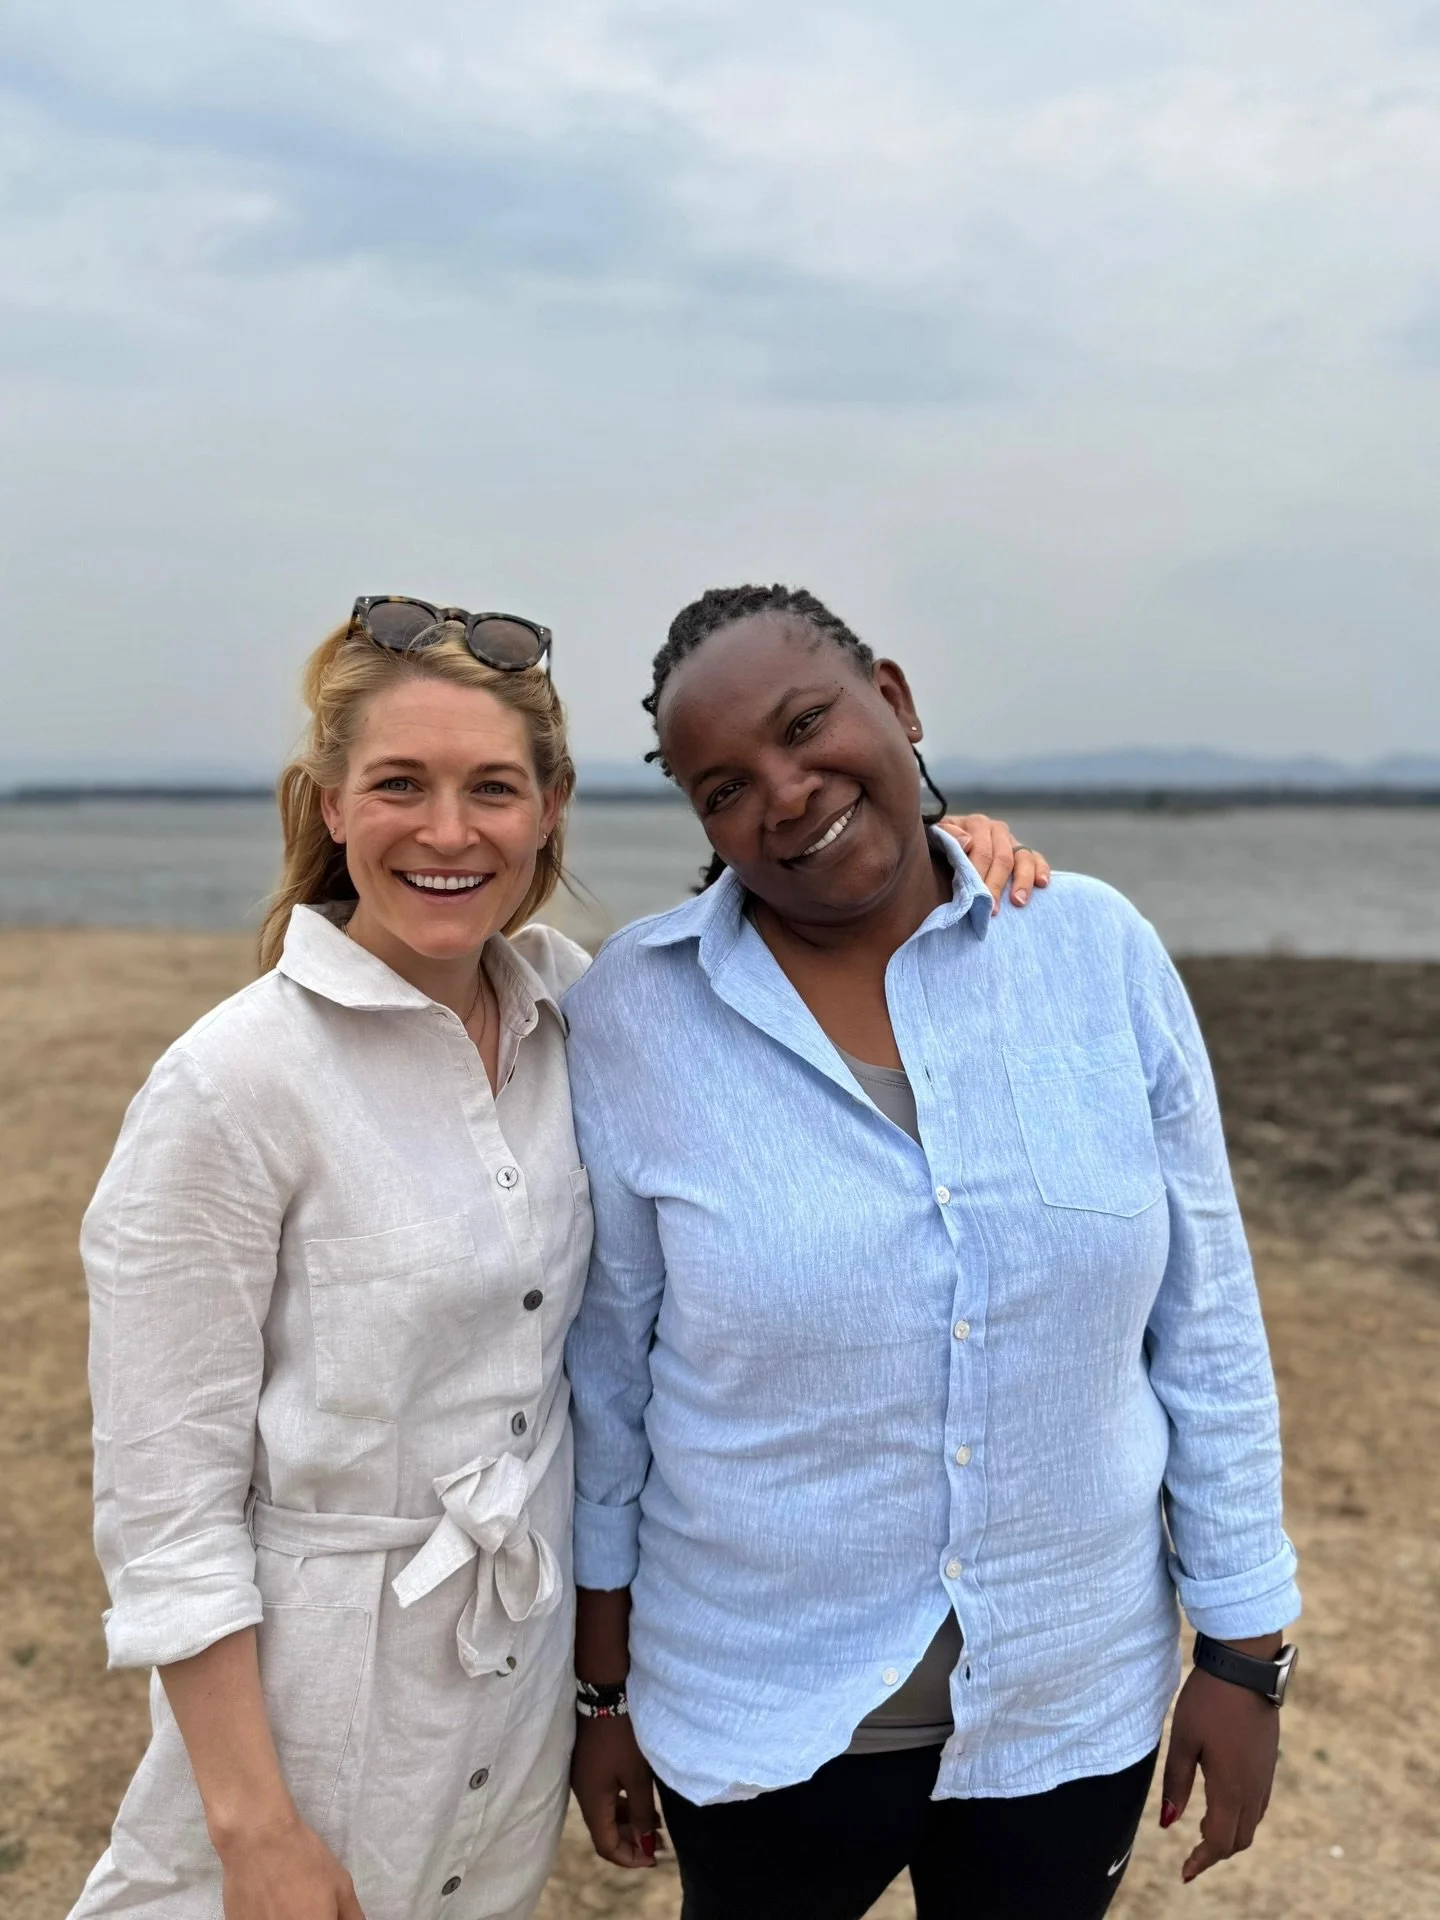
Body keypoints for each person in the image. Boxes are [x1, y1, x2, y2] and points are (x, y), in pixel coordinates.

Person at [69, 596, 1044, 1920]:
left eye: (492, 788)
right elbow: (166, 1513)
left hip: (510, 1712)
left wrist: (939, 862)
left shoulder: (581, 1009)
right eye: (400, 785)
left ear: (551, 808)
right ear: (331, 804)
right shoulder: (230, 1087)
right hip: (312, 1727)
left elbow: (766, 954)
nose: (449, 831)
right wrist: (255, 1831)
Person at [564, 584, 1301, 1920]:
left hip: (1069, 1699)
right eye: (725, 787)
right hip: (756, 1705)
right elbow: (607, 1385)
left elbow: (1205, 1325)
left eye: (807, 727)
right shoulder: (634, 1013)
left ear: (895, 702)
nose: (785, 794)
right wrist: (601, 1695)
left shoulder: (1094, 952)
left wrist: (1246, 1656)